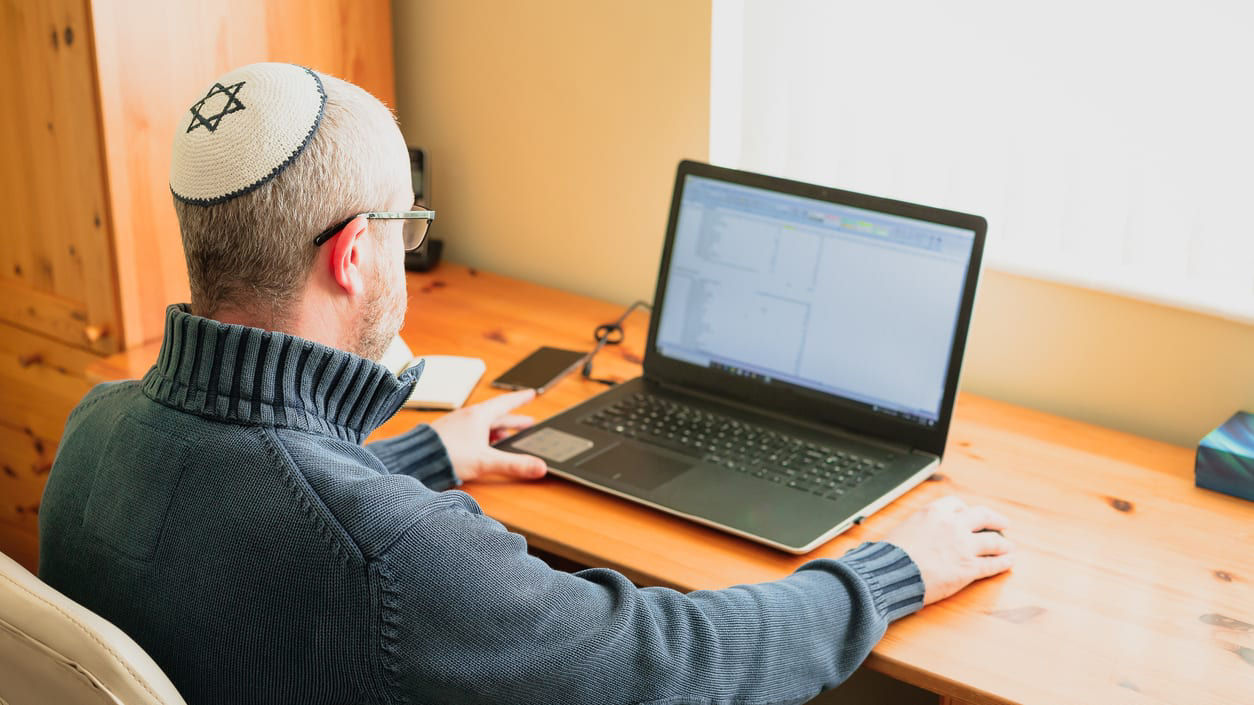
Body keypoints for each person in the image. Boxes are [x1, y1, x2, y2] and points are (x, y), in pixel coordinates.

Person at [39, 63, 1014, 705]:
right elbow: (665, 664)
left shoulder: (92, 429)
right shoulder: (395, 556)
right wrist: (892, 572)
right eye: (406, 228)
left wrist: (425, 455)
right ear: (352, 255)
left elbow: (265, 507)